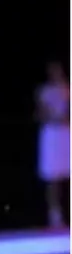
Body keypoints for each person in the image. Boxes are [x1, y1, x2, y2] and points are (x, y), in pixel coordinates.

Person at [36, 62, 70, 228]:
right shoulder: (43, 91)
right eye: (52, 70)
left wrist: (66, 119)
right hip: (51, 135)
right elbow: (40, 113)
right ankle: (54, 214)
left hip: (67, 133)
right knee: (53, 176)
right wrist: (54, 118)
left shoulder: (67, 88)